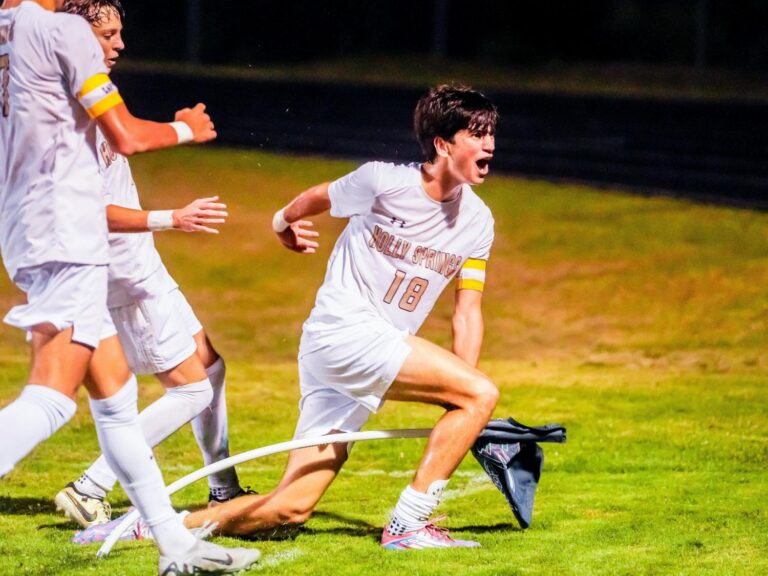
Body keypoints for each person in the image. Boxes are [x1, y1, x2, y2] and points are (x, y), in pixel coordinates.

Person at [91, 83, 501, 550]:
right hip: (345, 334)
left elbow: (467, 312)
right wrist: (281, 224)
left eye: (491, 133)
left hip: (359, 359)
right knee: (482, 393)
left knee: (291, 507)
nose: (489, 144)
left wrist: (460, 396)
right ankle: (410, 524)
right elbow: (317, 196)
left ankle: (156, 524)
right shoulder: (383, 182)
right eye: (477, 134)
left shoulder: (479, 222)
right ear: (443, 144)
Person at [0, 0, 259, 573]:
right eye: (107, 33)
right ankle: (113, 499)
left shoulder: (10, 25)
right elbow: (125, 135)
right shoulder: (59, 29)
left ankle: (177, 547)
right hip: (66, 234)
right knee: (50, 398)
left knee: (117, 403)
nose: (115, 43)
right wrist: (184, 129)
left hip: (38, 229)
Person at [53, 0, 247, 533]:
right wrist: (171, 217)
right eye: (108, 34)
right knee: (190, 389)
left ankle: (222, 484)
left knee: (210, 365)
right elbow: (88, 208)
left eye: (121, 32)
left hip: (137, 265)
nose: (119, 44)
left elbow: (128, 137)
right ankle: (90, 487)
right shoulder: (66, 107)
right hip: (124, 272)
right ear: (76, 36)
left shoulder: (85, 93)